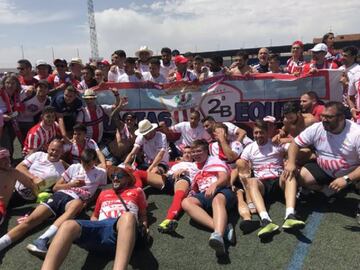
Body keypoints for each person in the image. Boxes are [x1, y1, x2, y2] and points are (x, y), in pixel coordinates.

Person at [41, 165, 148, 270]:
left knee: (128, 217)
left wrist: (144, 228)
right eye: (113, 175)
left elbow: (143, 215)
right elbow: (95, 217)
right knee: (68, 225)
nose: (115, 178)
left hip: (121, 227)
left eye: (119, 175)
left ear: (128, 178)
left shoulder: (137, 191)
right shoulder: (104, 193)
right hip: (102, 227)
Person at [241, 120, 305, 239]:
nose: (258, 135)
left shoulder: (276, 144)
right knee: (252, 181)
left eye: (261, 132)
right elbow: (241, 163)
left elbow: (295, 147)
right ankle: (265, 220)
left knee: (289, 173)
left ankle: (290, 215)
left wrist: (289, 159)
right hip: (263, 184)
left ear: (267, 133)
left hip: (279, 180)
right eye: (256, 133)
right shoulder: (249, 148)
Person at [284, 101, 360, 200]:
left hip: (351, 173)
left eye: (328, 117)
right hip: (324, 169)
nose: (324, 119)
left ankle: (350, 186)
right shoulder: (317, 127)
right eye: (322, 116)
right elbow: (295, 143)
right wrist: (291, 163)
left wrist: (347, 178)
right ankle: (325, 189)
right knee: (294, 176)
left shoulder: (356, 133)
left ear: (341, 117)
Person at [181, 139, 235, 256]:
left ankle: (218, 236)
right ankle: (222, 229)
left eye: (199, 151)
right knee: (186, 202)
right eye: (194, 152)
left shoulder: (214, 160)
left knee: (217, 200)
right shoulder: (193, 167)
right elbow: (194, 187)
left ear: (206, 151)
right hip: (204, 194)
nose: (196, 154)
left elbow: (224, 177)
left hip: (222, 190)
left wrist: (214, 185)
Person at [157, 146, 199, 233]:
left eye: (189, 153)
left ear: (193, 155)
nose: (187, 154)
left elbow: (197, 176)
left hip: (182, 178)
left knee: (179, 195)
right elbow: (166, 169)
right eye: (185, 153)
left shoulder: (196, 165)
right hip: (168, 178)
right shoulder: (175, 163)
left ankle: (168, 220)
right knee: (141, 173)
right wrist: (161, 171)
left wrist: (184, 170)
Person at [14, 139, 66, 204]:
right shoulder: (38, 155)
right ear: (48, 149)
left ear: (62, 152)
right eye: (52, 150)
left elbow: (57, 187)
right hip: (15, 188)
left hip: (32, 197)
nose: (54, 152)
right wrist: (33, 178)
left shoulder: (61, 170)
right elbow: (19, 167)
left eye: (58, 151)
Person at [0, 147, 38, 225]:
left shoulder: (13, 173)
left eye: (8, 157)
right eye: (3, 159)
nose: (8, 161)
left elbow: (30, 185)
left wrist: (40, 196)